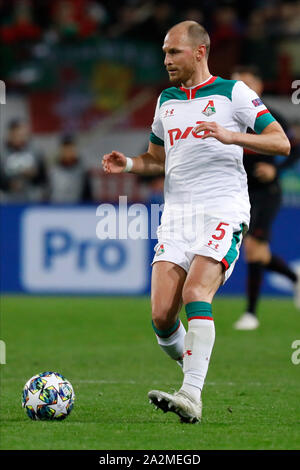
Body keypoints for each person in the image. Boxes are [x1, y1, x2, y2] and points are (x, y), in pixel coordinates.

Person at [102, 21, 290, 423]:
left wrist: (231, 136)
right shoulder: (166, 100)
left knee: (195, 292)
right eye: (164, 53)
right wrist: (132, 164)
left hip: (223, 210)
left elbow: (280, 142)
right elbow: (158, 159)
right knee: (161, 317)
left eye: (174, 52)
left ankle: (191, 393)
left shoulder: (234, 94)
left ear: (200, 52)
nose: (166, 60)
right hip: (177, 218)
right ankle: (193, 370)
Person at [231, 66, 300, 330]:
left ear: (259, 86)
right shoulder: (230, 116)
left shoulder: (271, 117)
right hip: (241, 192)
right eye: (238, 83)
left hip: (267, 192)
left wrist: (275, 169)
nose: (243, 88)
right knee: (258, 252)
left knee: (253, 249)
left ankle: (250, 314)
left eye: (248, 83)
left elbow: (294, 149)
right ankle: (295, 278)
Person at [0, 119, 47, 202]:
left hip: (33, 199)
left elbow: (44, 178)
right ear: (9, 134)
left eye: (20, 133)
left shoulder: (36, 151)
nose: (18, 137)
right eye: (14, 134)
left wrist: (34, 174)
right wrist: (9, 185)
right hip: (9, 201)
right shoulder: (2, 154)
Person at [48, 134, 92, 203]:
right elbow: (47, 193)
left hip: (76, 210)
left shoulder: (82, 170)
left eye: (70, 148)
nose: (68, 151)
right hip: (56, 210)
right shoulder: (52, 170)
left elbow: (88, 195)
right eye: (65, 148)